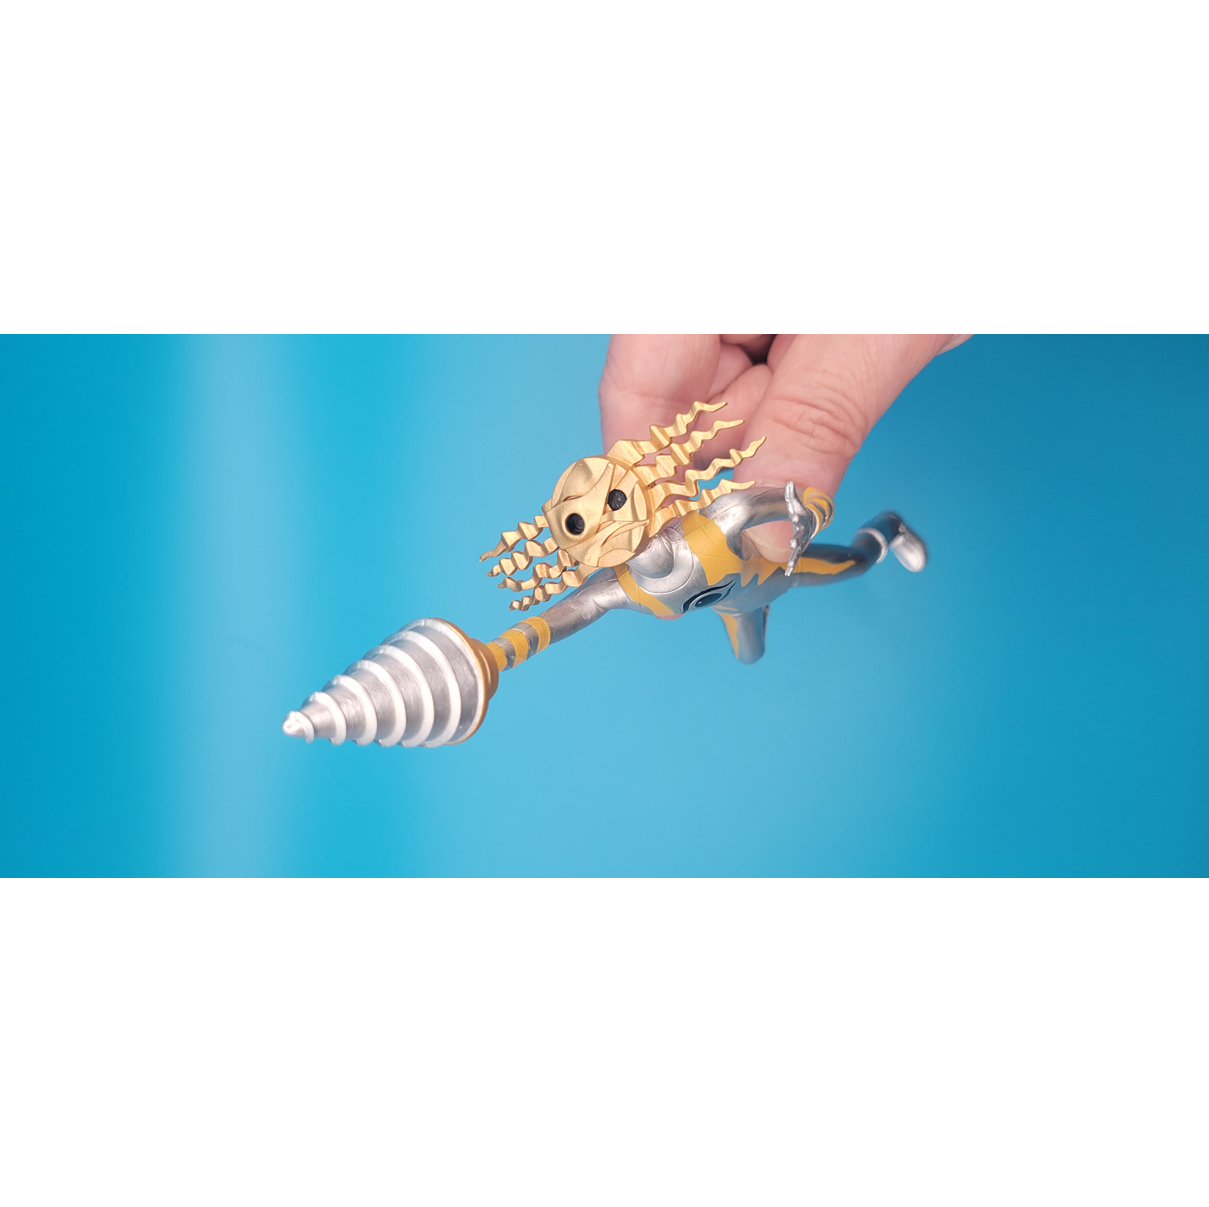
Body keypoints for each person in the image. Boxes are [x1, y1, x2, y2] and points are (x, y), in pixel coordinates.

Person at [597, 335, 969, 561]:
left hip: (773, 568)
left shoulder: (728, 524)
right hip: (742, 588)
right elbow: (590, 602)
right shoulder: (647, 577)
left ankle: (887, 530)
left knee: (852, 561)